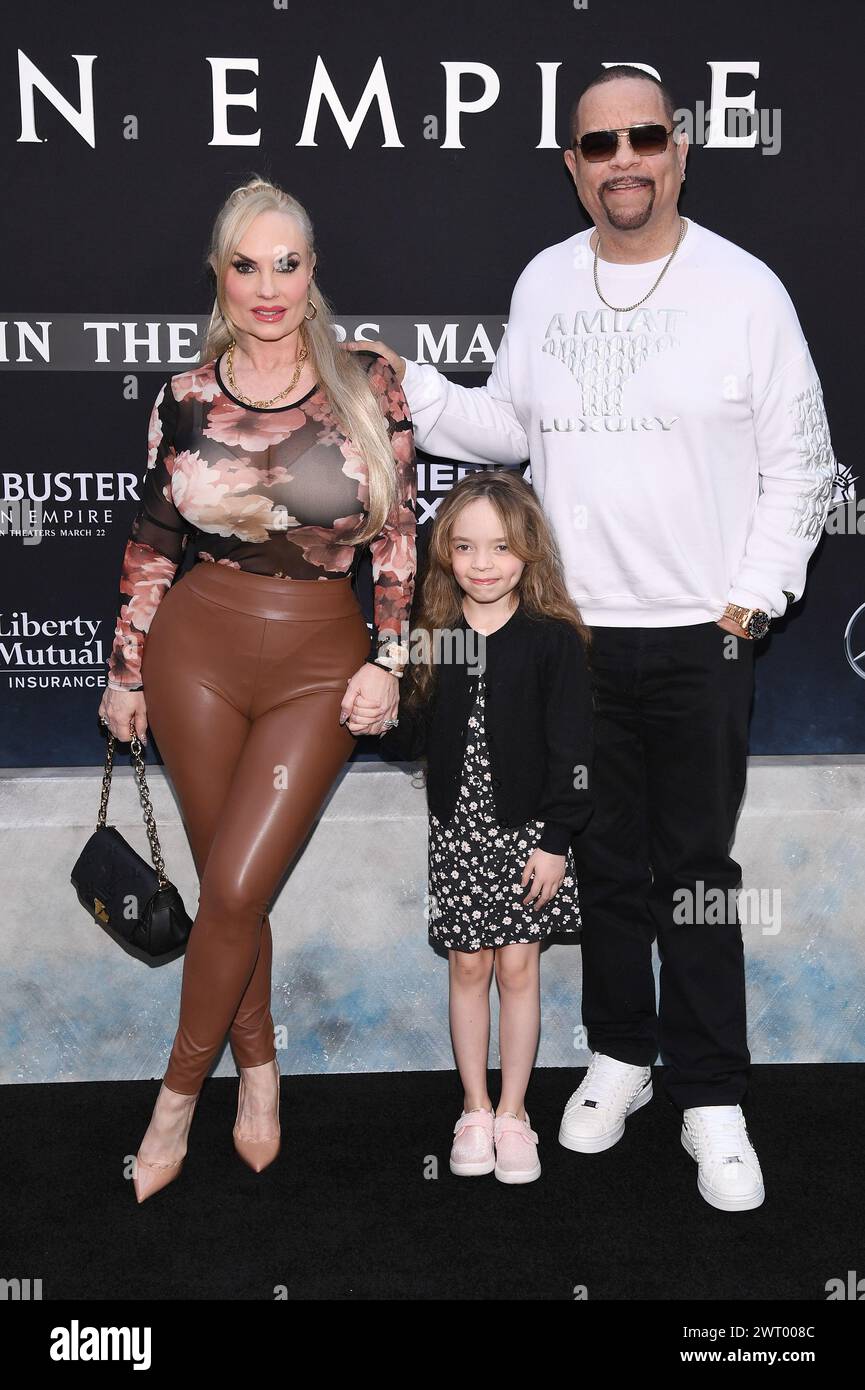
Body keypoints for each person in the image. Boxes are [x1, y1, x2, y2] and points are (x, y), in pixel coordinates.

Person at [347, 66, 836, 1211]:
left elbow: (801, 461)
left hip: (700, 639)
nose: (622, 158)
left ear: (680, 151)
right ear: (572, 165)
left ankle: (710, 1094)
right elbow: (506, 425)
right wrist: (406, 381)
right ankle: (619, 1056)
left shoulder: (745, 289)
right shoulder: (545, 283)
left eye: (644, 137)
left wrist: (747, 602)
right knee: (600, 866)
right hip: (570, 644)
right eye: (597, 143)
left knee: (697, 874)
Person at [98, 175, 417, 1203]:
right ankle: (262, 1071)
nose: (268, 285)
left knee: (234, 887)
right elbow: (153, 538)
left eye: (288, 263)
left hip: (323, 658)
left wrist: (393, 660)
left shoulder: (371, 380)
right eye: (247, 264)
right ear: (221, 275)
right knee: (230, 881)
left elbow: (402, 538)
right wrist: (126, 665)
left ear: (313, 271)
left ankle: (176, 1098)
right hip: (196, 647)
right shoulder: (185, 396)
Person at [369, 470, 593, 1183]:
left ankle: (515, 1114)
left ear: (529, 553)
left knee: (519, 967)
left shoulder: (551, 641)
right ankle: (472, 1108)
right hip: (458, 833)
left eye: (499, 547)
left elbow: (573, 753)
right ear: (444, 555)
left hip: (529, 834)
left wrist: (556, 840)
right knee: (468, 966)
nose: (483, 563)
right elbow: (409, 743)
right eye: (465, 547)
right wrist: (381, 701)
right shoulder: (433, 636)